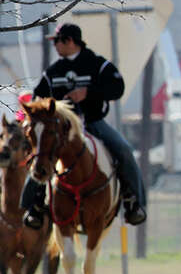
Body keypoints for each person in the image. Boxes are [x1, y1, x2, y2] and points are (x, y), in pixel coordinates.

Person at [23, 23, 146, 227]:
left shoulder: (97, 64)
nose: (55, 46)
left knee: (123, 150)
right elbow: (38, 96)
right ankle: (33, 206)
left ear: (70, 41)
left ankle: (132, 201)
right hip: (60, 130)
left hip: (93, 123)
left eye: (57, 41)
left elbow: (117, 88)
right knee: (40, 157)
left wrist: (89, 92)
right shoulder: (54, 71)